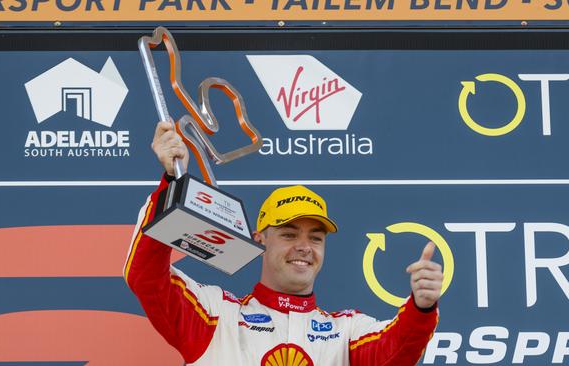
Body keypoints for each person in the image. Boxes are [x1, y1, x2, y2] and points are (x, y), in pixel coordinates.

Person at [124, 121, 443, 365]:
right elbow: (146, 277)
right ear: (259, 240)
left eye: (315, 238)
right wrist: (169, 184)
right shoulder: (216, 315)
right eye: (289, 234)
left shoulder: (347, 332)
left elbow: (398, 351)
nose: (304, 247)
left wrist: (421, 306)